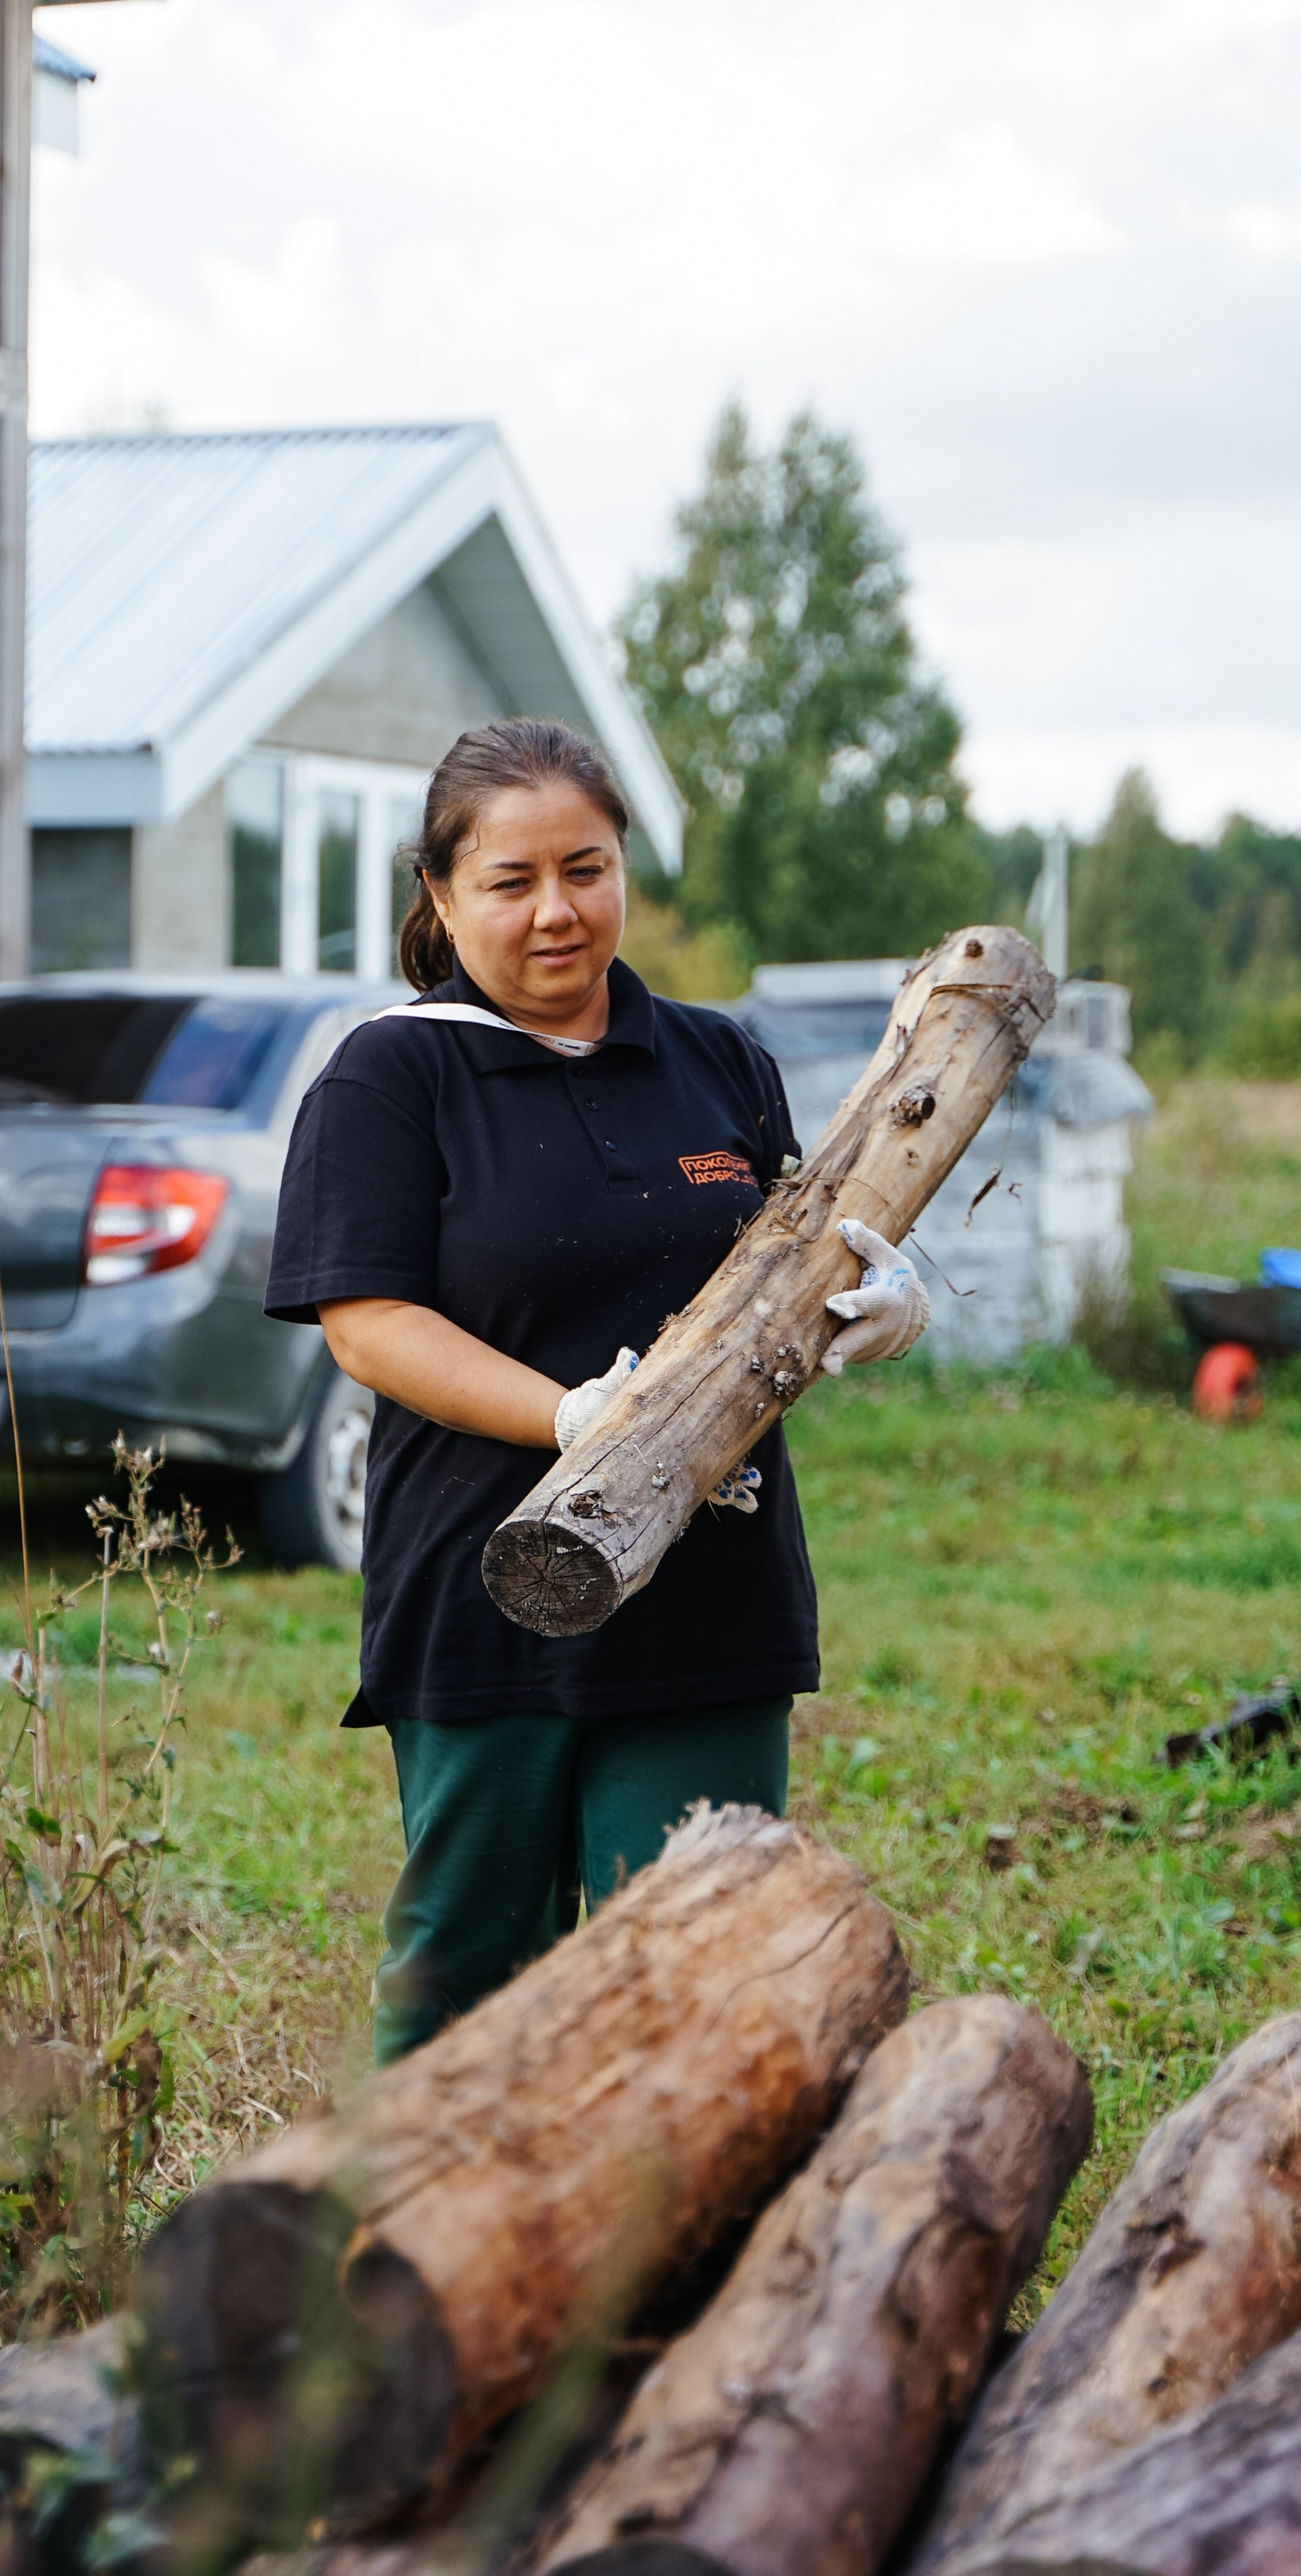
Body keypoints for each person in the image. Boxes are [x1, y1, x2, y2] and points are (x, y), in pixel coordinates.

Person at [264, 717, 931, 2062]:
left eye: (586, 870)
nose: (556, 912)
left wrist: (868, 1305)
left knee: (702, 1974)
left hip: (711, 1593)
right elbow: (369, 1324)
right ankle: (422, 2203)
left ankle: (681, 2214)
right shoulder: (392, 1075)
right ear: (441, 894)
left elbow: (783, 1281)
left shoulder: (717, 1060)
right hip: (488, 1589)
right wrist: (573, 1420)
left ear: (625, 864)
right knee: (466, 1984)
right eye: (510, 882)